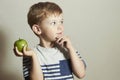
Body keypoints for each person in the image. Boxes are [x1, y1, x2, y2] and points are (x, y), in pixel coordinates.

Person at [14, 1, 86, 80]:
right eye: (54, 23)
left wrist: (71, 48)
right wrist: (33, 56)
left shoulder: (68, 49)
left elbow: (81, 74)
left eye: (61, 22)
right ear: (38, 29)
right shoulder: (30, 55)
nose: (60, 27)